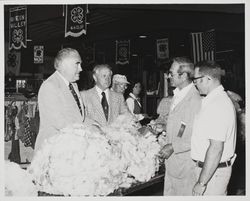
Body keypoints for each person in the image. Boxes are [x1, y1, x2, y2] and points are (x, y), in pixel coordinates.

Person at [155, 57, 201, 195]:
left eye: (171, 73)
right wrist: (164, 130)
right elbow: (181, 125)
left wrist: (173, 146)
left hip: (185, 166)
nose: (168, 76)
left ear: (184, 75)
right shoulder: (177, 95)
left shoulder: (195, 100)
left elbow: (196, 136)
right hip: (172, 164)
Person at [191, 61, 237, 196]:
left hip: (213, 174)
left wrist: (201, 183)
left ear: (208, 79)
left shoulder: (218, 104)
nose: (194, 84)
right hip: (210, 170)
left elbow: (216, 148)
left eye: (196, 80)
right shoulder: (213, 100)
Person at [35, 48, 89, 152]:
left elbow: (80, 117)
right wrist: (87, 133)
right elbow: (60, 122)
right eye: (77, 64)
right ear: (64, 65)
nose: (81, 69)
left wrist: (97, 127)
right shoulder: (50, 86)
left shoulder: (73, 85)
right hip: (54, 149)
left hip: (72, 147)